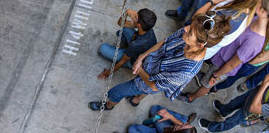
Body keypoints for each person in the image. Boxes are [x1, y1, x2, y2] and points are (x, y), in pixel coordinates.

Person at [87, 12, 231, 110]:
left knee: (115, 92)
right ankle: (135, 100)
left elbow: (154, 85)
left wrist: (139, 67)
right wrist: (143, 56)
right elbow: (164, 42)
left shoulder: (186, 71)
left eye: (191, 31)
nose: (185, 29)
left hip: (148, 80)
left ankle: (109, 105)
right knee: (141, 91)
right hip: (148, 65)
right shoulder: (184, 35)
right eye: (190, 25)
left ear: (200, 45)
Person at [181, 0, 269, 103]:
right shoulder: (256, 17)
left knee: (207, 84)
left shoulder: (255, 41)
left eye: (258, 0)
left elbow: (233, 64)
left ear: (263, 11)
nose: (254, 0)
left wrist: (216, 75)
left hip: (223, 67)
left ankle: (191, 97)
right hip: (221, 56)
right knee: (207, 76)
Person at [96, 8, 157, 79]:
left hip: (132, 60)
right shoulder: (148, 28)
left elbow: (122, 62)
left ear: (138, 25)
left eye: (136, 17)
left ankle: (128, 63)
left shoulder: (136, 44)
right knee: (124, 29)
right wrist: (126, 13)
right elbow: (121, 23)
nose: (134, 17)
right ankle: (126, 45)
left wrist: (107, 73)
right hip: (137, 47)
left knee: (102, 49)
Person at [127, 105, 197, 133]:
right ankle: (186, 119)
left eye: (180, 126)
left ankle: (153, 127)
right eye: (186, 124)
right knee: (156, 109)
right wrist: (170, 117)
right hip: (167, 129)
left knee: (132, 129)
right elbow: (180, 124)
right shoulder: (181, 126)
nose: (181, 124)